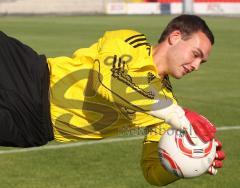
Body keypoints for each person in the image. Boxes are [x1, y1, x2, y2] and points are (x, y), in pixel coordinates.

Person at [0, 14, 225, 186]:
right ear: (175, 37)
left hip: (32, 127)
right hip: (29, 76)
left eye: (201, 63)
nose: (196, 66)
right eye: (195, 54)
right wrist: (177, 114)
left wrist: (189, 164)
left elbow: (152, 172)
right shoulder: (131, 41)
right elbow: (107, 81)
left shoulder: (167, 106)